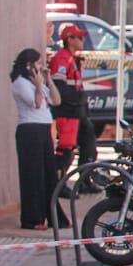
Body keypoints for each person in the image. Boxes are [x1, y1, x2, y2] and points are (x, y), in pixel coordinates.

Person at [10, 48, 66, 229]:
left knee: (49, 174)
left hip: (43, 130)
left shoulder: (37, 83)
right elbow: (36, 103)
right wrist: (40, 86)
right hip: (29, 131)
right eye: (38, 63)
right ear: (28, 65)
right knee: (33, 175)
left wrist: (48, 80)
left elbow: (57, 101)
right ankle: (32, 219)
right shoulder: (20, 83)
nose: (42, 66)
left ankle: (54, 216)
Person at [49, 23, 98, 195]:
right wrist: (78, 100)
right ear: (69, 39)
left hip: (77, 112)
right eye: (79, 37)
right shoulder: (62, 59)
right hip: (67, 112)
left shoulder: (72, 59)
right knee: (66, 150)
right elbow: (59, 86)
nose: (82, 40)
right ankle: (58, 185)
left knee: (89, 143)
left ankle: (85, 180)